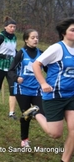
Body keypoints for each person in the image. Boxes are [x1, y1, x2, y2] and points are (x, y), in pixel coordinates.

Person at [33, 18, 74, 162]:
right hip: (54, 96)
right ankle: (36, 113)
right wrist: (43, 83)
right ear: (64, 33)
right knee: (55, 134)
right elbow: (36, 65)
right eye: (72, 30)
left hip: (72, 96)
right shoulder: (57, 48)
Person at [7, 29, 49, 147]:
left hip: (37, 90)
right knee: (26, 117)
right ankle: (24, 139)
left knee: (42, 113)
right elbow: (10, 71)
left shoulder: (41, 54)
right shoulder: (21, 53)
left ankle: (30, 113)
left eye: (37, 37)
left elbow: (48, 69)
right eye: (32, 37)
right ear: (26, 40)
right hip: (22, 90)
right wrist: (16, 78)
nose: (36, 39)